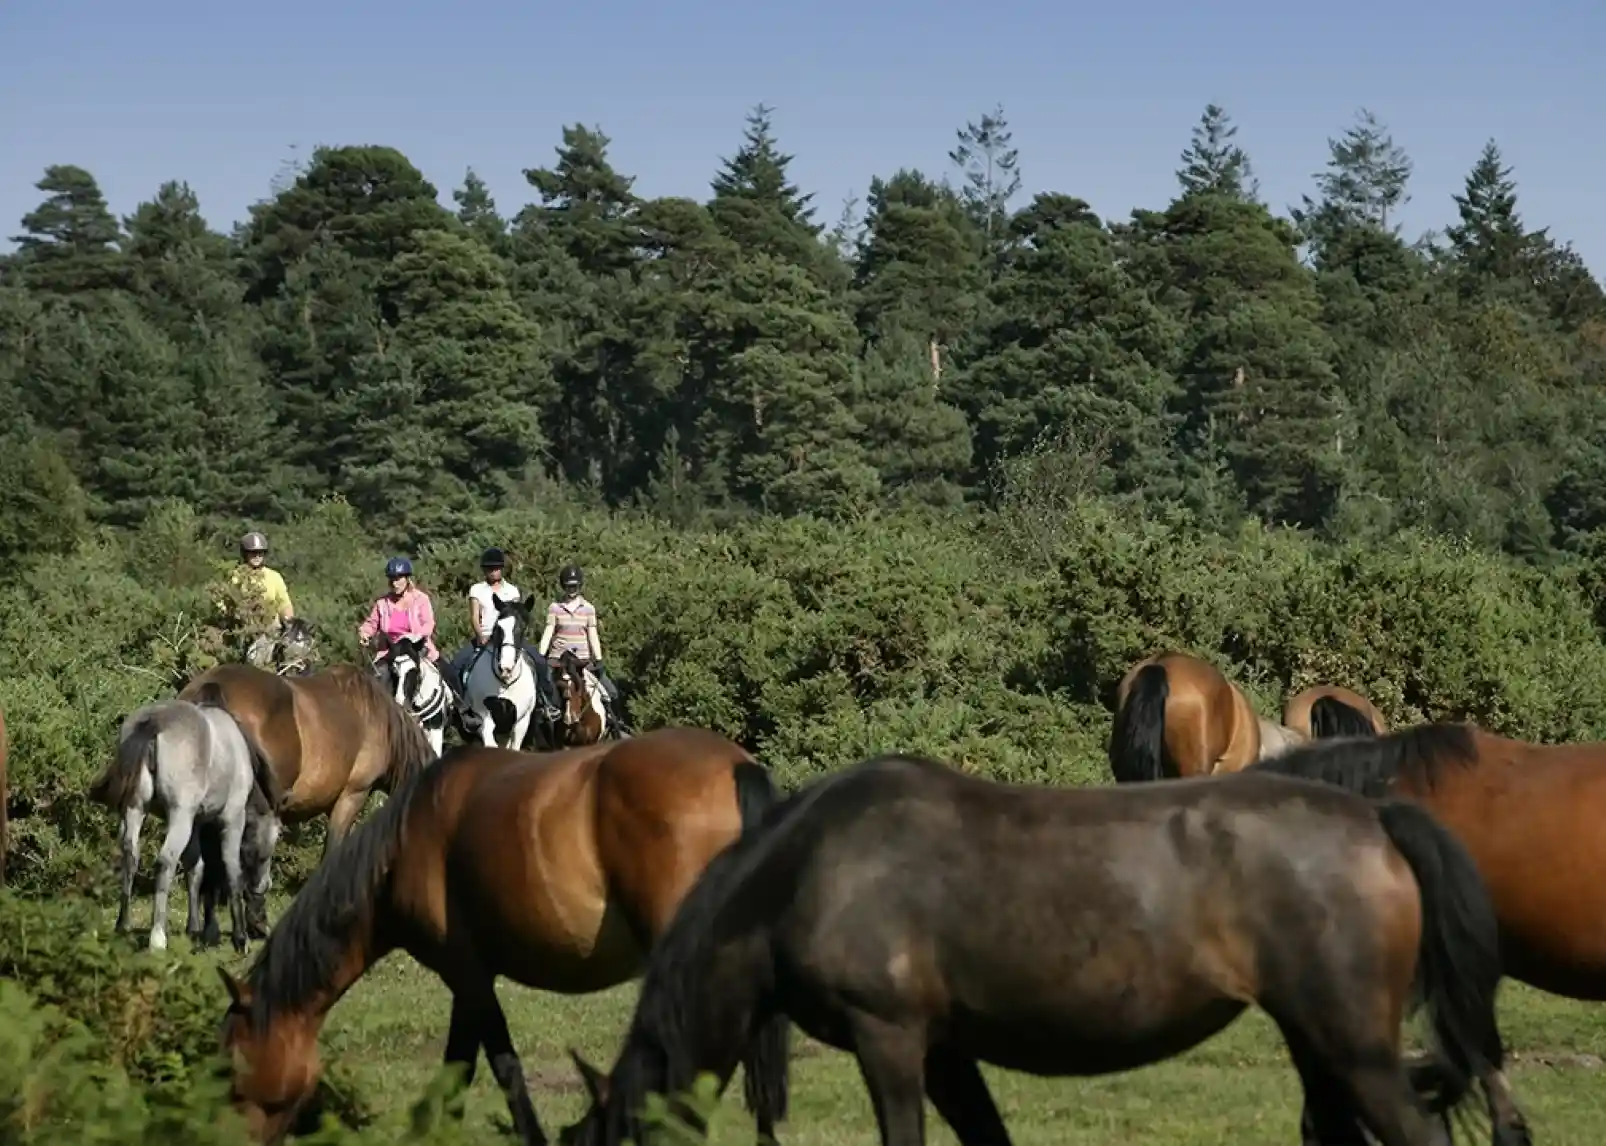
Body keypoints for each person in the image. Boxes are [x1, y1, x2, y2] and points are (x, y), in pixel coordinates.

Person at [447, 548, 545, 707]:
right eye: (490, 569)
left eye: (496, 568)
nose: (493, 572)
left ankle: (544, 703)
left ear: (501, 569)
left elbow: (516, 617)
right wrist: (480, 635)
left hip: (508, 638)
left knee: (540, 662)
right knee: (455, 666)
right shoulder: (477, 590)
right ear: (484, 570)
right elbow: (474, 616)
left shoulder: (512, 591)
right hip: (485, 635)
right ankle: (460, 705)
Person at [536, 564, 621, 715]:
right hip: (557, 661)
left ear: (580, 585)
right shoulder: (555, 607)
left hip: (582, 661)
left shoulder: (588, 609)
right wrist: (541, 655)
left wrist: (599, 659)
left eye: (575, 586)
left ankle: (614, 725)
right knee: (540, 692)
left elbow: (592, 634)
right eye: (569, 586)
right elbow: (549, 630)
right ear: (563, 586)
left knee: (611, 692)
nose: (572, 589)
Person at [357, 557, 439, 674]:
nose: (394, 583)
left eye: (398, 578)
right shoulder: (382, 603)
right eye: (392, 579)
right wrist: (365, 633)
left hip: (416, 650)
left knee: (449, 675)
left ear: (407, 579)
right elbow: (371, 623)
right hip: (389, 654)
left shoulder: (421, 599)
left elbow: (428, 623)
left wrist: (415, 637)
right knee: (371, 678)